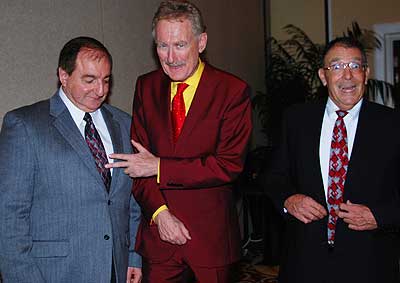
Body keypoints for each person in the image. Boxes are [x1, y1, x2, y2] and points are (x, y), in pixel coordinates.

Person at [106, 0, 252, 282]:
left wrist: (160, 166)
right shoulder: (146, 87)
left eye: (180, 45)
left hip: (211, 245)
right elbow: (138, 164)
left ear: (201, 42)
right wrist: (160, 214)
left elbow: (228, 164)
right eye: (162, 46)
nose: (171, 57)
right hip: (159, 243)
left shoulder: (232, 91)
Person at [0, 36, 142, 283]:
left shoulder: (124, 124)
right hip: (54, 274)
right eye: (89, 80)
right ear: (63, 76)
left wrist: (133, 256)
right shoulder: (25, 125)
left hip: (116, 271)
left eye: (106, 80)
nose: (100, 91)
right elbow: (9, 216)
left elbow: (131, 200)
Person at [266, 36, 400, 283]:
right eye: (336, 67)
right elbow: (275, 176)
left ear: (366, 73)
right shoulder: (296, 120)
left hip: (370, 263)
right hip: (305, 262)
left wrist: (380, 216)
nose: (347, 76)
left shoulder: (392, 125)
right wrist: (289, 199)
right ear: (322, 76)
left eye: (355, 66)